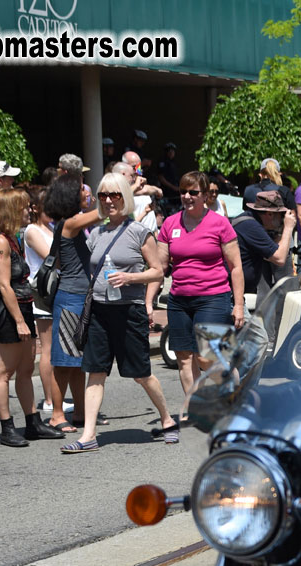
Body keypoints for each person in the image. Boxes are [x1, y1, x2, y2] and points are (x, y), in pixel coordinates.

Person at [61, 173, 178, 452]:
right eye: (103, 196)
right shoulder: (97, 233)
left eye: (114, 195)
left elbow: (157, 271)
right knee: (95, 372)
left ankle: (167, 419)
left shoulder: (139, 231)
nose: (109, 201)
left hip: (129, 311)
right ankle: (88, 435)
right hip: (99, 311)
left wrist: (129, 278)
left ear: (125, 197)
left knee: (141, 374)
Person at [150, 171, 244, 424]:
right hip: (179, 300)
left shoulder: (220, 223)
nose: (187, 196)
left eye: (193, 192)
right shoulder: (170, 224)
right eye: (183, 192)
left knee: (209, 357)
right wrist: (148, 301)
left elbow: (235, 267)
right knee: (184, 357)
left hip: (214, 297)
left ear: (205, 195)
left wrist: (238, 305)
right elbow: (160, 268)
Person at [0, 188, 62, 447]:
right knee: (4, 372)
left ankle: (32, 422)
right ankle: (7, 428)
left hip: (23, 307)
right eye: (24, 207)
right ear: (9, 210)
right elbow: (4, 285)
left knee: (26, 369)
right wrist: (18, 321)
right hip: (9, 312)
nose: (29, 210)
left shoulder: (13, 239)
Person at [44, 173, 102, 433]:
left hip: (79, 297)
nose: (86, 192)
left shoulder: (71, 223)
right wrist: (125, 190)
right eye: (81, 190)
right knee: (64, 361)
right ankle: (57, 415)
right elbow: (103, 213)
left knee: (78, 362)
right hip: (70, 299)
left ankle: (80, 411)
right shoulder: (70, 223)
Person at [21, 189, 61, 423]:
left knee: (56, 346)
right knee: (47, 347)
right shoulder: (32, 231)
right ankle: (48, 399)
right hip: (42, 291)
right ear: (35, 207)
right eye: (48, 205)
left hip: (56, 290)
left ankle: (56, 395)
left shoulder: (51, 228)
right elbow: (51, 257)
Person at [233, 190, 296, 299]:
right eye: (280, 214)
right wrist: (288, 228)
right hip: (231, 294)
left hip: (238, 292)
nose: (281, 218)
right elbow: (280, 258)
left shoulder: (251, 221)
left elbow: (276, 249)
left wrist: (279, 230)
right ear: (270, 214)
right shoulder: (251, 226)